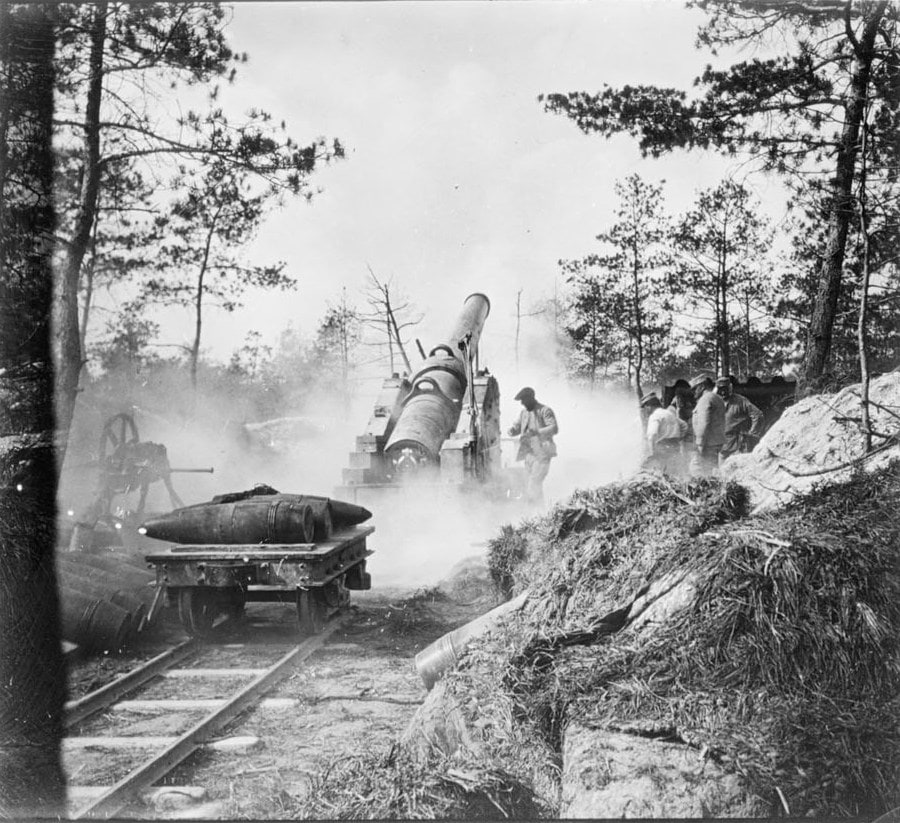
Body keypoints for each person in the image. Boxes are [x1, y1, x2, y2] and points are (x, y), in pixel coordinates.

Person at [508, 386, 558, 504]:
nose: (522, 403)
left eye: (524, 400)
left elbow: (554, 428)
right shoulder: (524, 413)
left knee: (534, 483)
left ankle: (534, 513)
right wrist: (512, 430)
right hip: (529, 454)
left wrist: (538, 432)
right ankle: (539, 513)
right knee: (531, 484)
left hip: (542, 453)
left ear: (531, 398)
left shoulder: (545, 410)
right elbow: (517, 427)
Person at [716, 376, 765, 460]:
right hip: (722, 448)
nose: (723, 392)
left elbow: (758, 415)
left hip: (738, 447)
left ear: (730, 388)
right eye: (720, 390)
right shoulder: (715, 402)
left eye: (725, 389)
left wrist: (752, 434)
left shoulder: (740, 401)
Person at [641, 393, 687, 475]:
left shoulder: (654, 416)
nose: (645, 410)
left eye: (645, 407)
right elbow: (684, 425)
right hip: (675, 446)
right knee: (674, 473)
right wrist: (679, 437)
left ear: (649, 406)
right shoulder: (669, 413)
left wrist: (653, 453)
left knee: (659, 473)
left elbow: (652, 435)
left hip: (662, 449)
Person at [689, 373, 725, 475]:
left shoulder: (705, 399)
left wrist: (700, 444)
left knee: (699, 472)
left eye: (695, 389)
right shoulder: (717, 398)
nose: (694, 392)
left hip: (707, 444)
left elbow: (704, 423)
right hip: (715, 442)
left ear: (702, 386)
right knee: (711, 470)